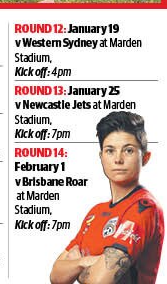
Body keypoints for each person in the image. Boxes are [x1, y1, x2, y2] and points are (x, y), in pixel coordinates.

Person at [50, 111, 163, 284]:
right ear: (101, 157)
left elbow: (100, 281)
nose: (118, 159)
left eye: (129, 150)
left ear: (145, 158)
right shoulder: (95, 212)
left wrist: (75, 266)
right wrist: (86, 262)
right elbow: (56, 276)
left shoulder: (144, 207)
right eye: (110, 151)